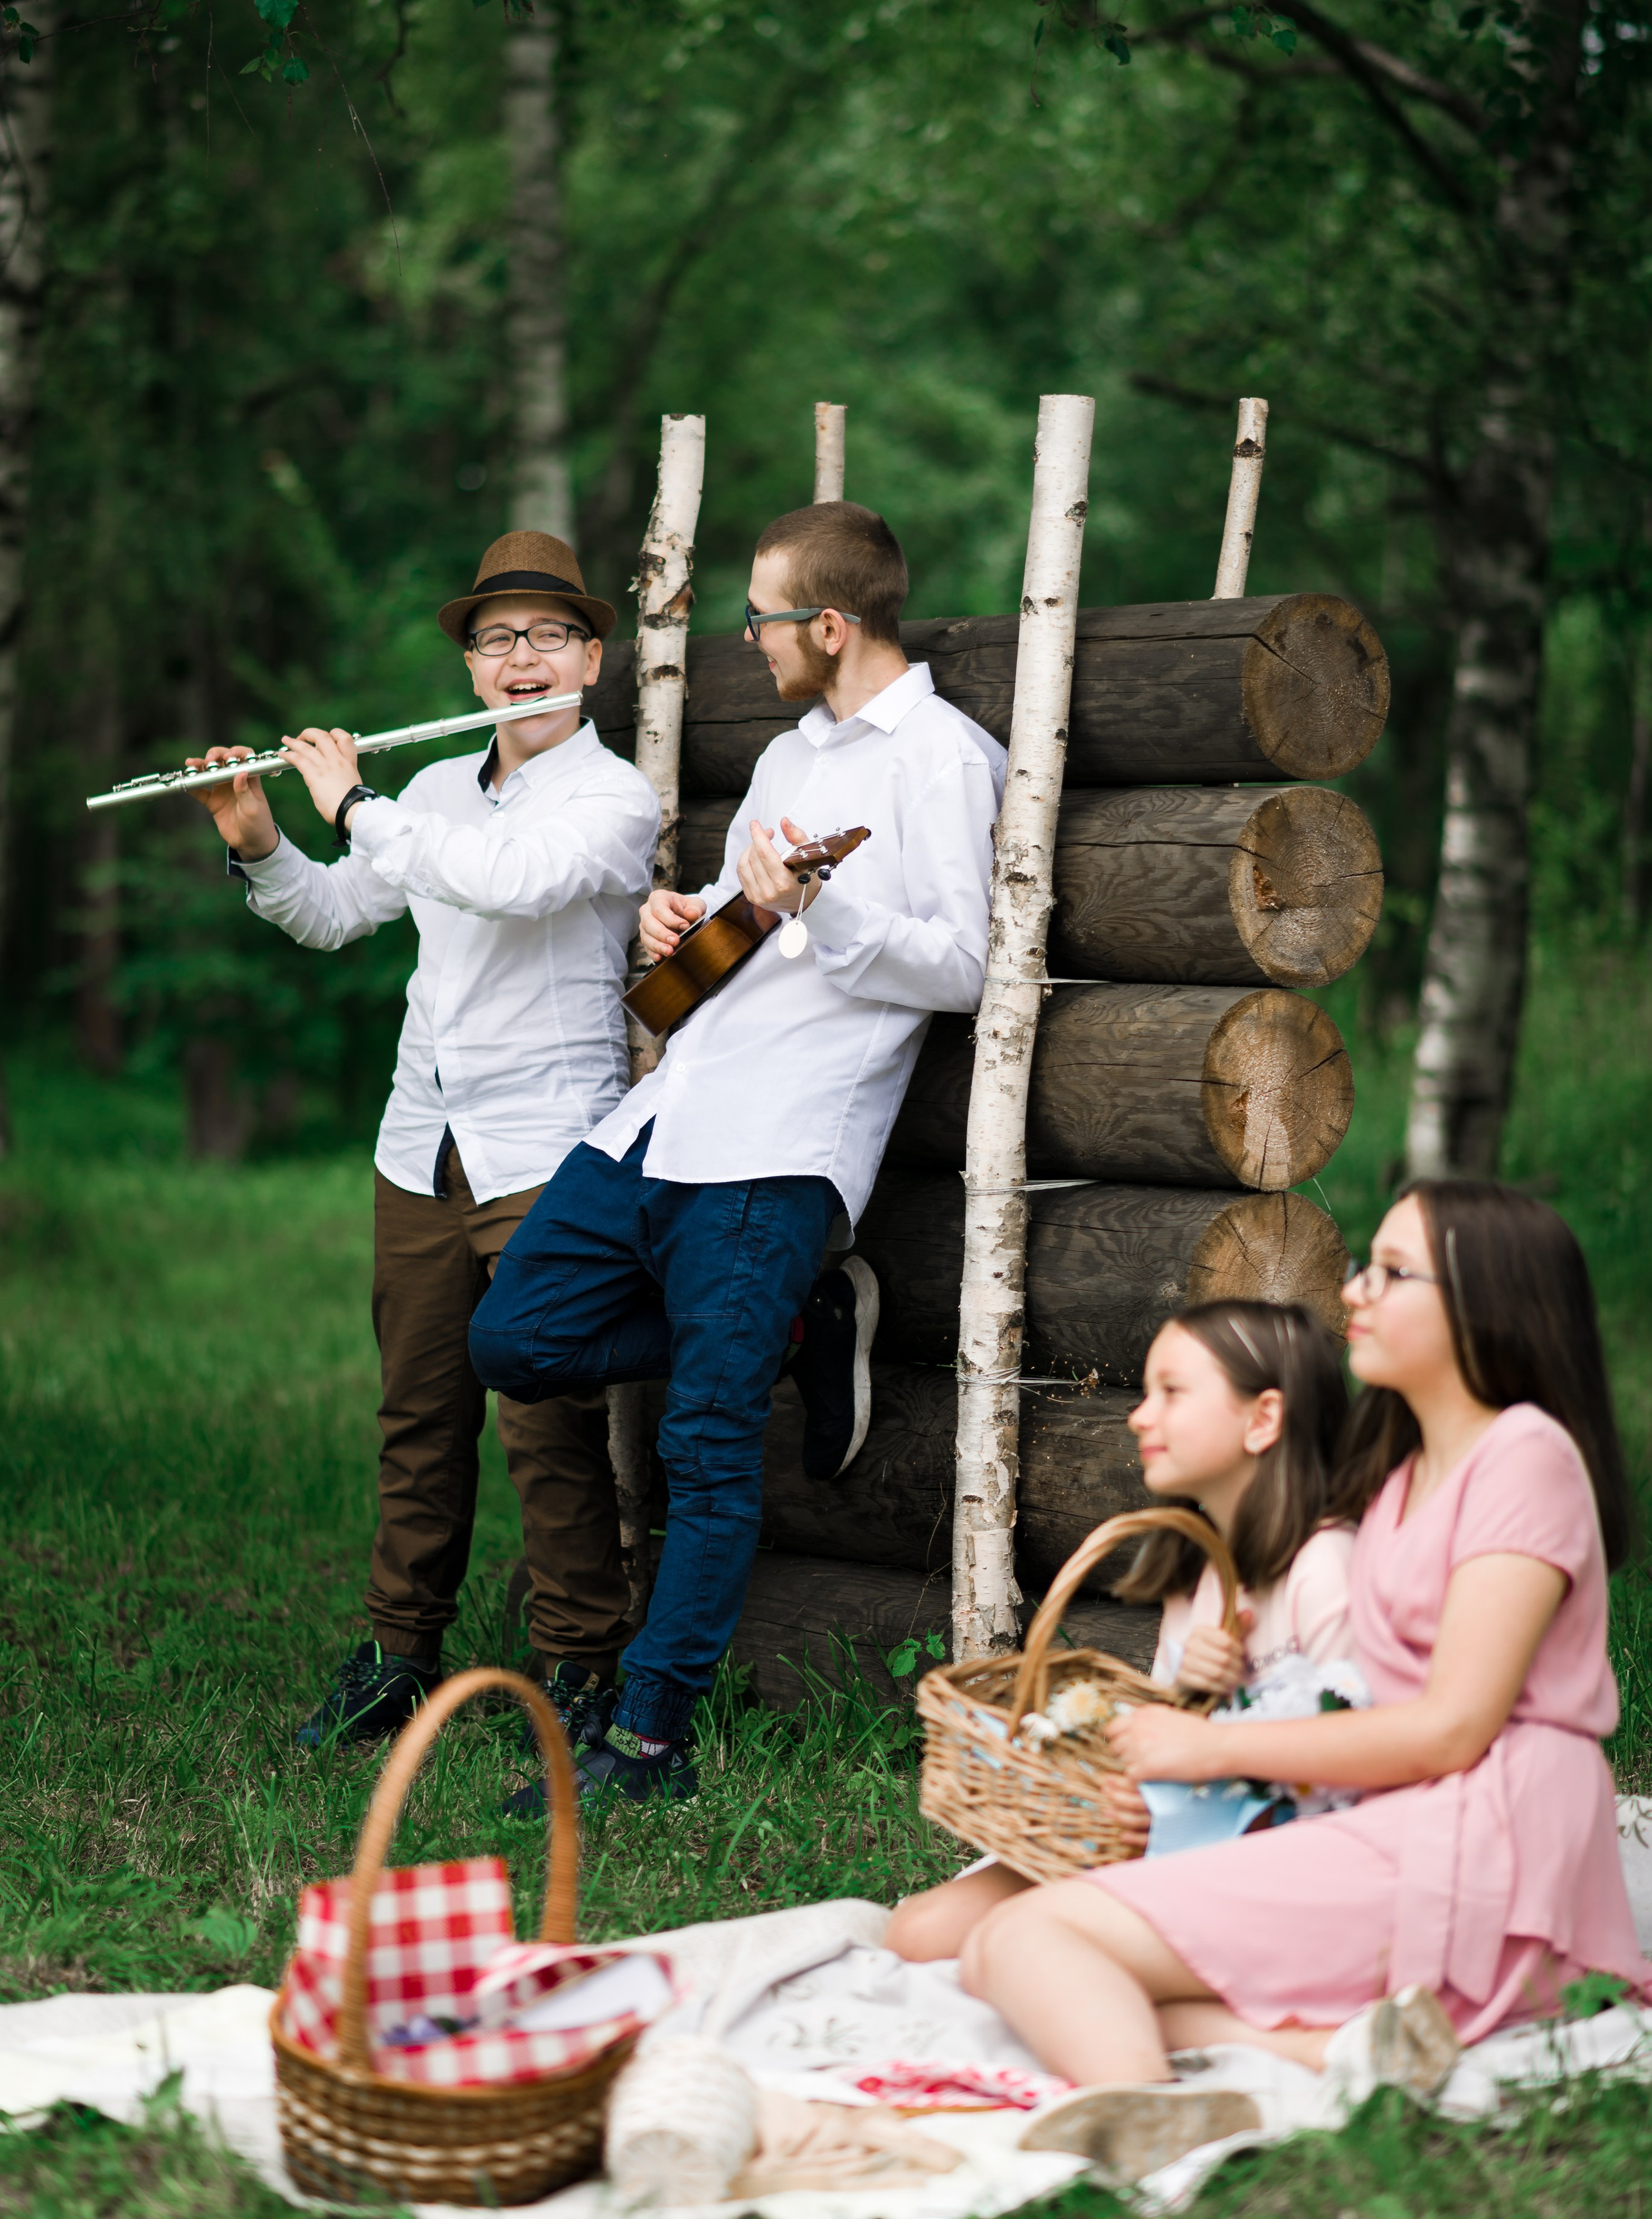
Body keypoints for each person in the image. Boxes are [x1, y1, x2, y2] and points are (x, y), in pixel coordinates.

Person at [470, 500, 1007, 1805]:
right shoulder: (788, 757)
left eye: (763, 615)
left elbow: (962, 961)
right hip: (667, 1118)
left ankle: (647, 1738)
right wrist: (688, 916)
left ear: (829, 624)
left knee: (703, 1446)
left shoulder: (943, 758)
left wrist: (826, 912)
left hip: (782, 1141)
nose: (748, 637)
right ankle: (797, 1328)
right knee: (513, 1337)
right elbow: (739, 918)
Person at [959, 1182, 1651, 2179]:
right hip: (1409, 1814)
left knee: (1036, 1937)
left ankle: (1148, 2122)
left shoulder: (1526, 1457)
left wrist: (1212, 1747)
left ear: (1484, 1304)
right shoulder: (1408, 1473)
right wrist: (1229, 1687)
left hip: (1492, 1830)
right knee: (999, 1951)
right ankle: (1331, 2052)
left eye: (1392, 1270)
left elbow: (1453, 1725)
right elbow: (1357, 1686)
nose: (1356, 1289)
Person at [188, 534, 660, 1750]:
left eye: (547, 635)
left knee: (546, 1425)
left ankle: (579, 1671)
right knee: (418, 1413)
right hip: (422, 1145)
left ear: (592, 657)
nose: (520, 658)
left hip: (546, 1150)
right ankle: (401, 1655)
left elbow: (507, 881)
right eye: (495, 639)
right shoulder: (442, 789)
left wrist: (352, 801)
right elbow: (337, 912)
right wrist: (260, 836)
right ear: (468, 665)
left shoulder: (613, 798)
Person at [887, 1299, 1357, 1962]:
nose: (1139, 1416)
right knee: (919, 1931)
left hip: (1269, 1863)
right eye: (1145, 1392)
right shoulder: (1197, 1575)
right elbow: (1159, 1748)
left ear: (1264, 1418)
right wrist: (1132, 1785)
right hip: (1161, 1840)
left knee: (1011, 1947)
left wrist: (1210, 1747)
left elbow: (1360, 1760)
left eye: (1172, 1392)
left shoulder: (1325, 1572)